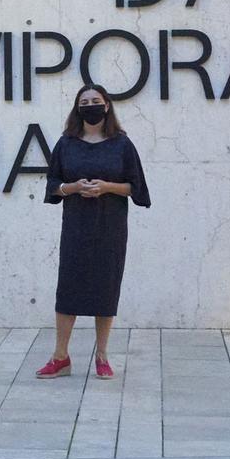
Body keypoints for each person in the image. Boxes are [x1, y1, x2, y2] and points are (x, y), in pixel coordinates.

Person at [38, 84, 151, 379]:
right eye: (84, 101)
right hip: (76, 227)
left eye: (95, 101)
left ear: (107, 106)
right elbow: (52, 185)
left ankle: (102, 355)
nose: (90, 105)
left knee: (105, 288)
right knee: (68, 290)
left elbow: (135, 187)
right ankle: (60, 356)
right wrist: (74, 188)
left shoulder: (122, 144)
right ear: (77, 108)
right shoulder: (66, 143)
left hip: (110, 228)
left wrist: (106, 187)